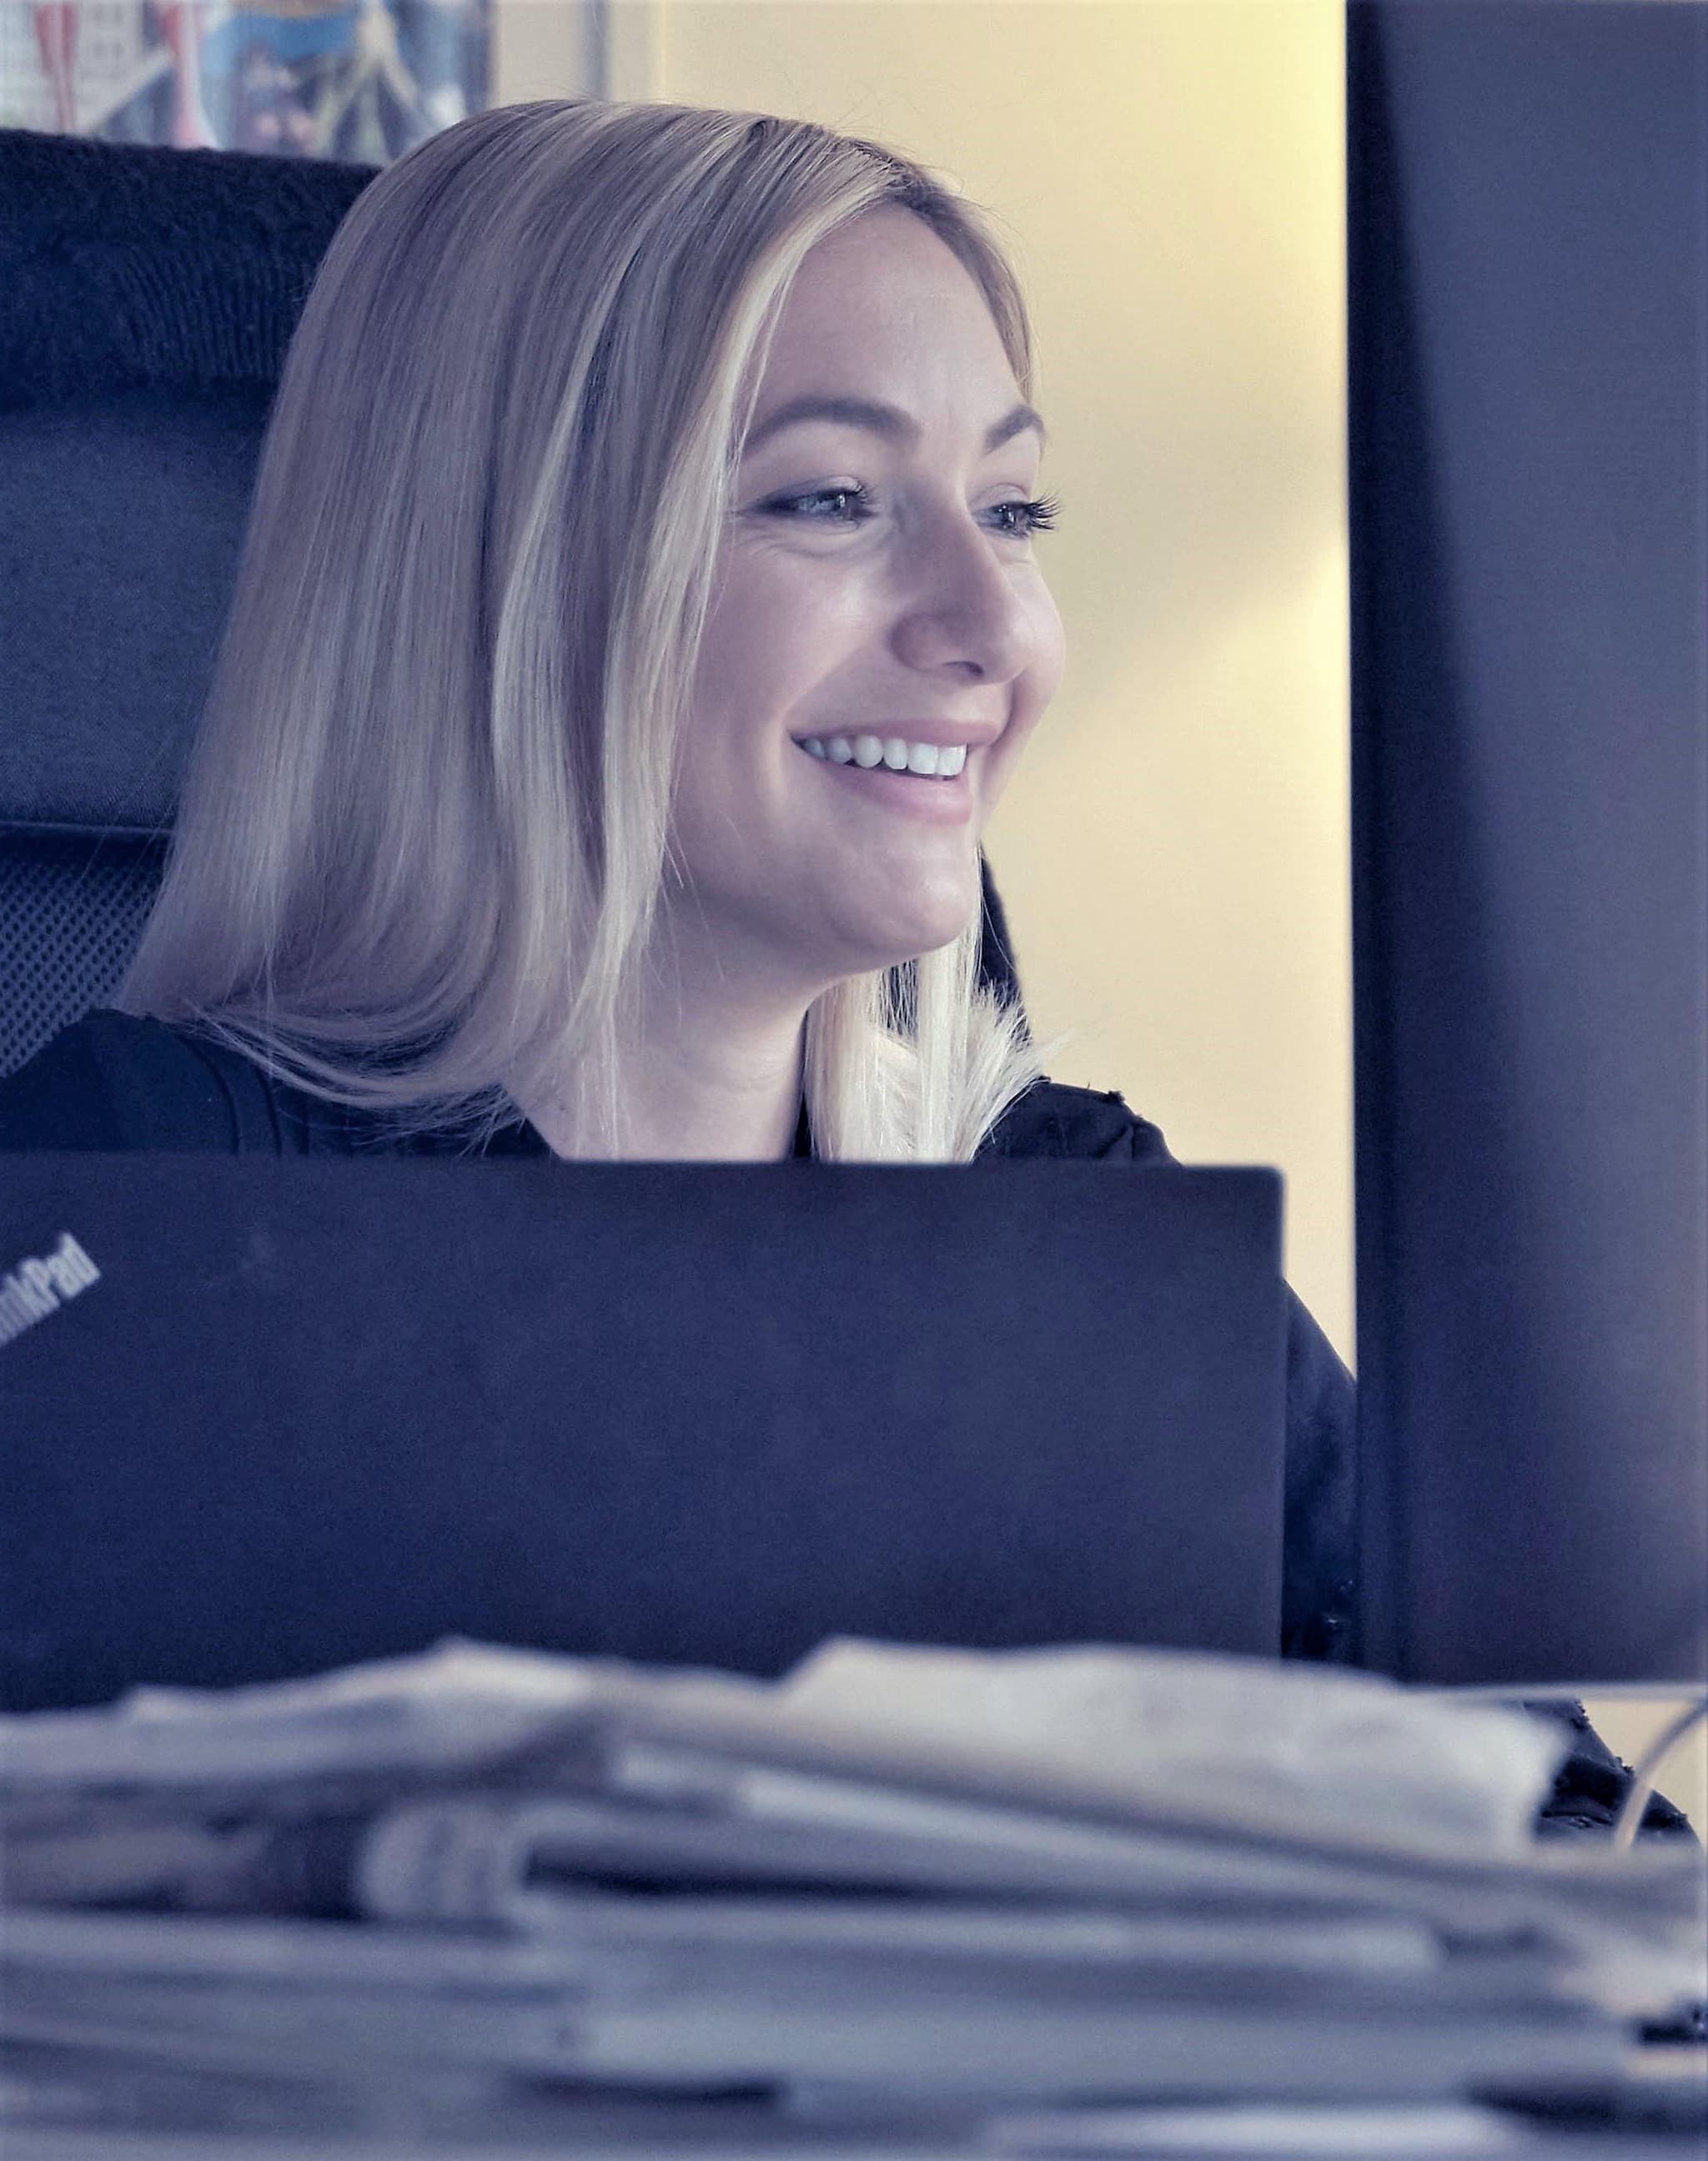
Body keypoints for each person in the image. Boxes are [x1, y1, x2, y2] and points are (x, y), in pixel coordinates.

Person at [0, 98, 1686, 1840]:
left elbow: (1571, 1837)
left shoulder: (1082, 1236)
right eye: (829, 499)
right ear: (507, 577)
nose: (994, 624)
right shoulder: (128, 1199)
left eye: (1013, 509)